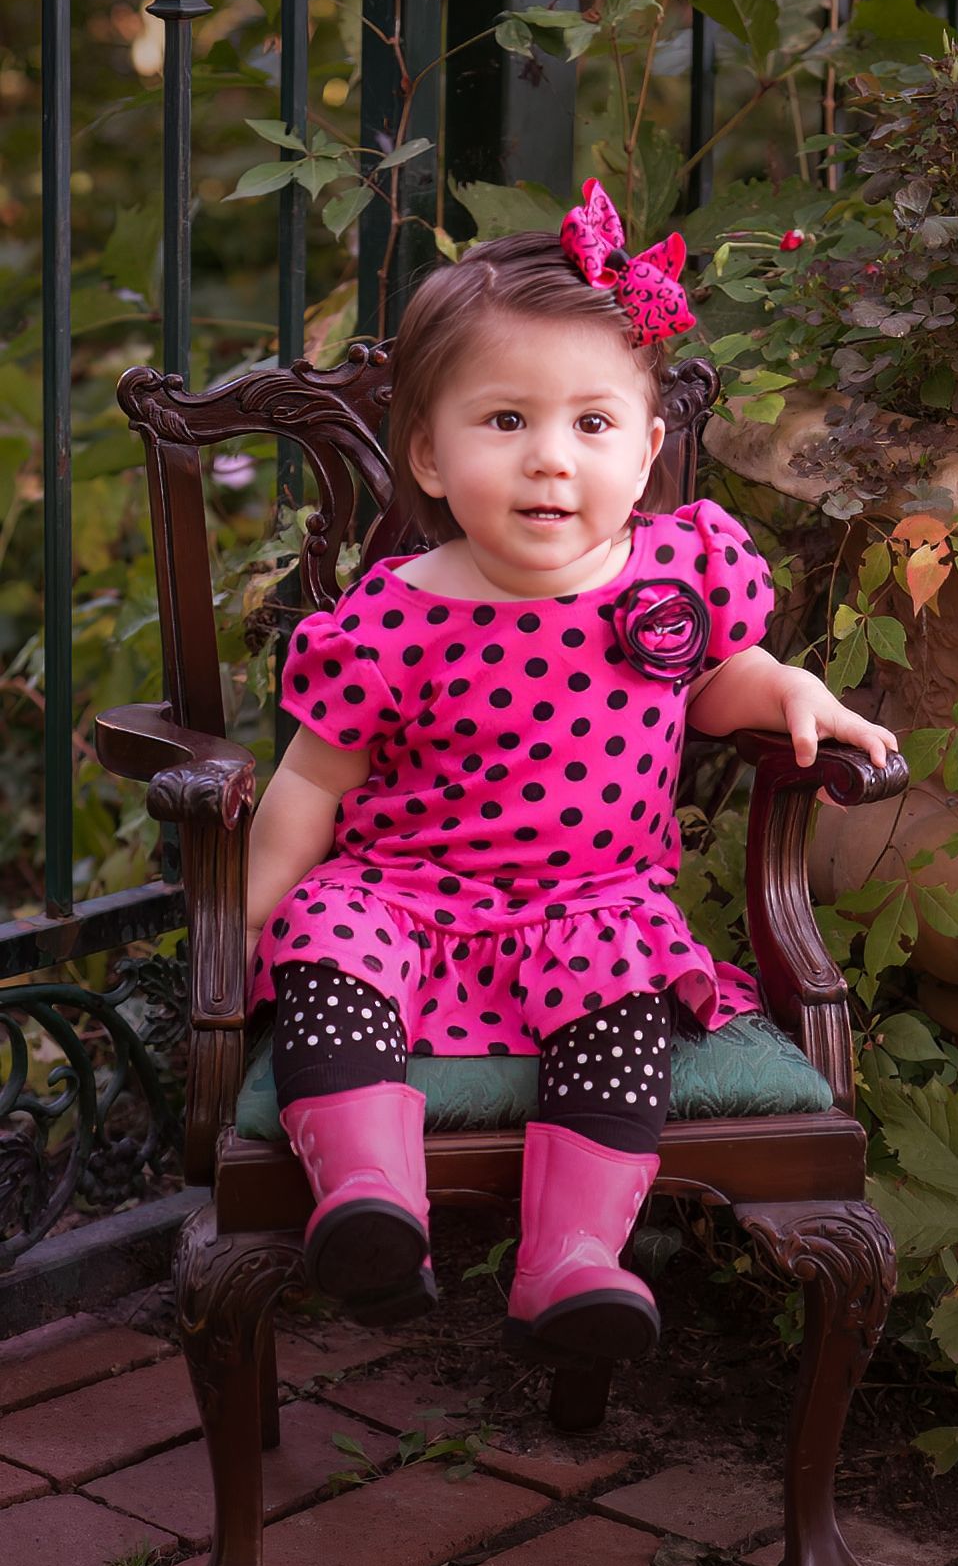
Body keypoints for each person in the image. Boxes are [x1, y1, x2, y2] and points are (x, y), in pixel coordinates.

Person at [244, 179, 897, 1361]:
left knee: (621, 1022)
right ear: (430, 457)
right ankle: (369, 1201)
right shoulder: (392, 615)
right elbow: (309, 784)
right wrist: (247, 923)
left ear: (646, 452)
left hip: (590, 908)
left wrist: (796, 691)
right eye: (506, 423)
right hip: (401, 893)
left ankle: (572, 1259)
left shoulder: (678, 572)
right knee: (327, 956)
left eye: (590, 425)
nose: (551, 461)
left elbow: (719, 682)